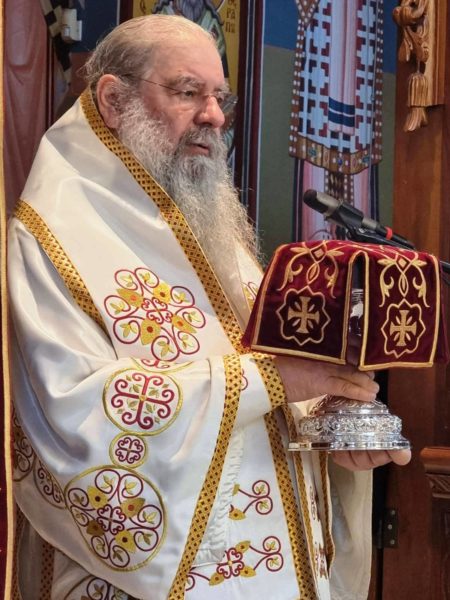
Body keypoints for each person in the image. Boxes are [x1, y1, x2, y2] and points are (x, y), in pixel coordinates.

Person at [7, 14, 410, 600]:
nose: (214, 116)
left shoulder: (206, 226)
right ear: (114, 100)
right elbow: (75, 421)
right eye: (187, 92)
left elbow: (275, 389)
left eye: (220, 97)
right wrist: (269, 379)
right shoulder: (53, 240)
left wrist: (332, 427)